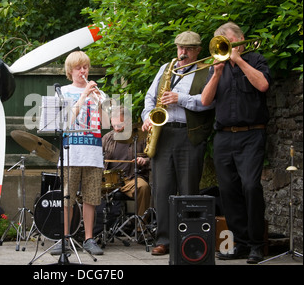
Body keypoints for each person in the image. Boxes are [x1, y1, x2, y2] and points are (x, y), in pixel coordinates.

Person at [201, 22, 271, 264]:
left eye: (229, 41)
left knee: (251, 187)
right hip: (223, 136)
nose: (226, 46)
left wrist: (240, 61)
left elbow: (263, 85)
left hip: (251, 134)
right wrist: (217, 72)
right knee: (228, 191)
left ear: (240, 39)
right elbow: (205, 101)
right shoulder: (217, 67)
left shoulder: (256, 59)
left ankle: (256, 244)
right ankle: (239, 244)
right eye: (222, 43)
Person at [141, 31, 215, 256]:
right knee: (162, 188)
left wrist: (179, 99)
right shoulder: (166, 68)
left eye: (188, 49)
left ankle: (188, 240)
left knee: (188, 189)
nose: (183, 53)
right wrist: (147, 116)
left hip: (188, 134)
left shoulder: (207, 69)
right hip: (163, 134)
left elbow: (208, 103)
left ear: (198, 50)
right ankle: (163, 239)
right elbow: (149, 98)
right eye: (180, 48)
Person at [51, 51, 105, 256]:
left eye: (85, 67)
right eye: (78, 68)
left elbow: (106, 123)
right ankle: (65, 238)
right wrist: (83, 96)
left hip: (92, 152)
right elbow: (66, 123)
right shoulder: (63, 92)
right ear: (70, 71)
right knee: (67, 198)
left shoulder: (98, 93)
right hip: (71, 152)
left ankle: (89, 239)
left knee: (91, 198)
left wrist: (101, 102)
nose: (83, 71)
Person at [102, 106, 150, 217]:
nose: (116, 129)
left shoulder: (141, 137)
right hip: (110, 180)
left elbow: (153, 159)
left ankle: (140, 227)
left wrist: (145, 160)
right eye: (113, 125)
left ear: (128, 122)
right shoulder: (107, 138)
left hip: (131, 179)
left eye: (119, 125)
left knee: (143, 187)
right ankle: (99, 228)